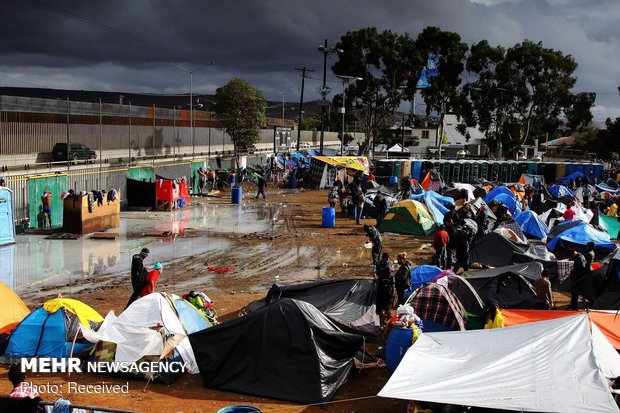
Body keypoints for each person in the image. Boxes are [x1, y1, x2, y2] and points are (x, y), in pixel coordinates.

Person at [375, 252, 394, 324]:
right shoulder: (389, 266)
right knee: (388, 306)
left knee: (381, 307)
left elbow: (375, 274)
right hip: (388, 288)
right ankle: (390, 321)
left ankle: (383, 321)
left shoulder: (378, 264)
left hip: (381, 288)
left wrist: (377, 278)